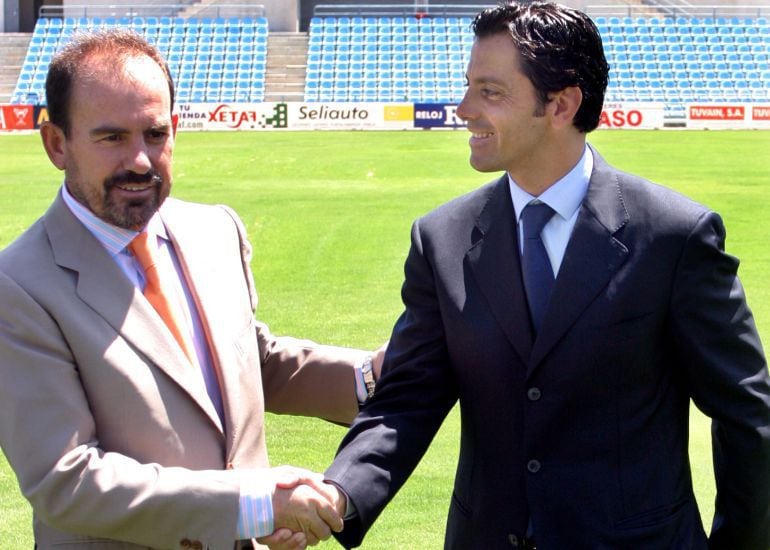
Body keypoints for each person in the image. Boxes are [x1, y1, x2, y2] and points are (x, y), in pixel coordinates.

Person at [323, 2, 770, 548]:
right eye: (468, 87)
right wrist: (338, 496)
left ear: (561, 104)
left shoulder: (675, 237)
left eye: (489, 92)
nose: (463, 108)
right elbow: (407, 397)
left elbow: (748, 416)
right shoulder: (441, 239)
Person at [0, 29, 381, 550]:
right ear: (57, 144)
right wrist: (250, 505)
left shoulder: (214, 230)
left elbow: (252, 362)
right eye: (112, 138)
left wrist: (370, 376)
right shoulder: (18, 286)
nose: (139, 160)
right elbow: (68, 481)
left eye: (154, 134)